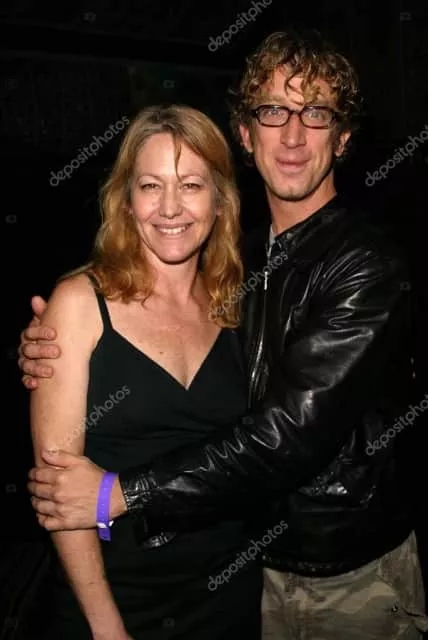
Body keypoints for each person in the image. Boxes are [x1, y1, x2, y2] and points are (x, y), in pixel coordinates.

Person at [19, 30, 428, 640]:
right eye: (273, 111)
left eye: (316, 113)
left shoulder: (366, 265)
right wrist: (57, 339)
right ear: (245, 134)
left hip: (343, 572)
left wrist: (119, 493)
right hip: (249, 570)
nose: (293, 136)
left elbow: (287, 435)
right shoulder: (236, 265)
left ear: (343, 138)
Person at [22, 103, 263, 639]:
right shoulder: (79, 304)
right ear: (126, 201)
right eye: (151, 186)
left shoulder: (238, 307)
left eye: (191, 185)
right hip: (116, 601)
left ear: (220, 201)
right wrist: (107, 627)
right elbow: (61, 495)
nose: (170, 207)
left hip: (230, 596)